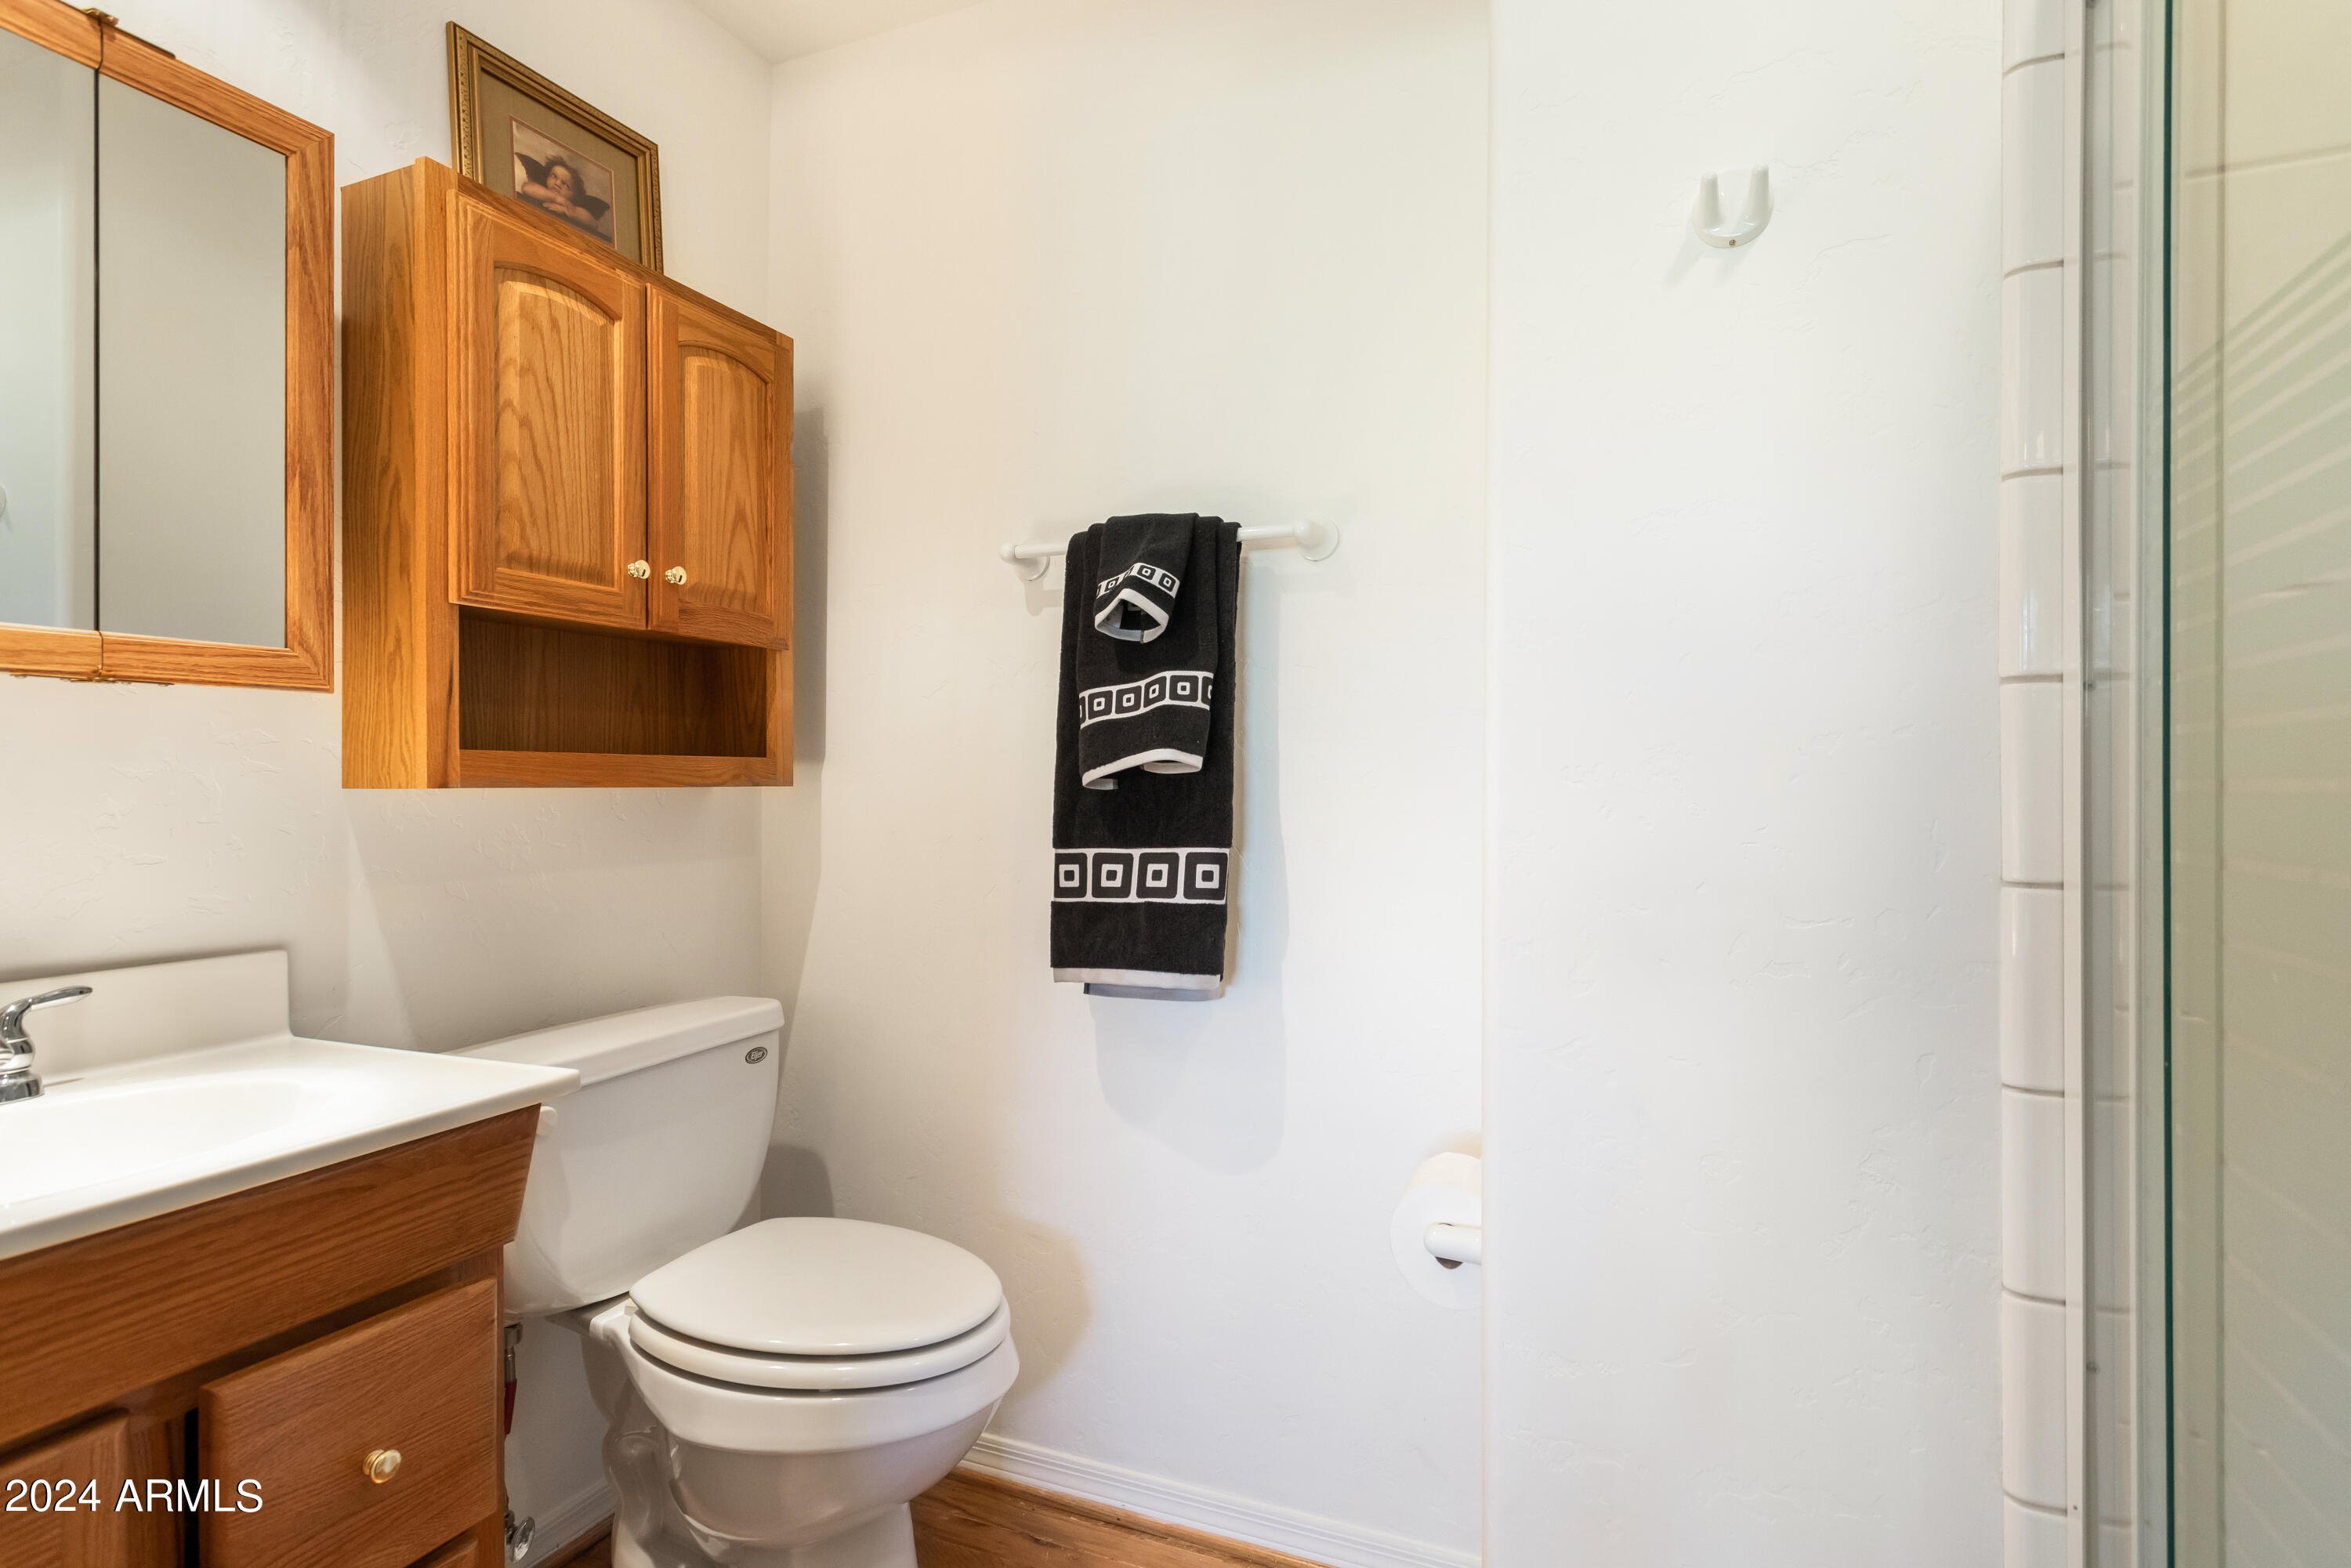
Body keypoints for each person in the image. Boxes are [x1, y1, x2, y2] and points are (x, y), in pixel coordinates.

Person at [515, 152, 612, 241]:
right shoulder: (541, 189)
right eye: (554, 176)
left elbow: (593, 224)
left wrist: (568, 210)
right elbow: (527, 188)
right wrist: (557, 198)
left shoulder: (571, 205)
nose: (557, 183)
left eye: (566, 184)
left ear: (574, 196)